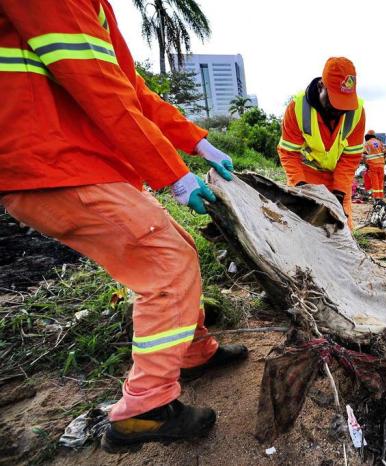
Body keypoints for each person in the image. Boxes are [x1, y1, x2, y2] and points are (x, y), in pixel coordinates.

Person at [0, 0, 248, 451]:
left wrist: (200, 143)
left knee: (174, 248)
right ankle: (146, 408)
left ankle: (193, 352)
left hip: (64, 161)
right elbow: (100, 90)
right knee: (166, 262)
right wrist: (174, 176)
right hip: (52, 162)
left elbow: (130, 91)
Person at [277, 57, 366, 228]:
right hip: (306, 174)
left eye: (344, 104)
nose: (339, 110)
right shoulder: (296, 108)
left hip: (338, 176)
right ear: (321, 87)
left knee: (342, 227)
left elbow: (351, 159)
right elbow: (288, 153)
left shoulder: (357, 112)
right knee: (302, 225)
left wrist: (339, 193)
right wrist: (300, 188)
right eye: (334, 102)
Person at [362, 129, 386, 202]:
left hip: (372, 165)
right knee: (380, 181)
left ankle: (376, 198)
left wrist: (366, 164)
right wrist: (382, 160)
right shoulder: (380, 143)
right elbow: (385, 153)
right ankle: (381, 196)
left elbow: (364, 156)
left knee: (375, 181)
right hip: (381, 165)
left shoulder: (367, 144)